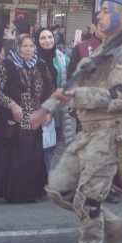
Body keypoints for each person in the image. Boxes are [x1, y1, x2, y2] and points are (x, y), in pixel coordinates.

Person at [29, 0, 122, 243]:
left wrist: (77, 96)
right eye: (101, 11)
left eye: (106, 11)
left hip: (109, 135)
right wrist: (47, 108)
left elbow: (119, 99)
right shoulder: (101, 51)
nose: (100, 16)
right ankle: (114, 225)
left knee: (88, 202)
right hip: (87, 133)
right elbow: (71, 85)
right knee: (58, 189)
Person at [0, 35, 54, 203]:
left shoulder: (41, 65)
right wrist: (13, 105)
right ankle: (13, 193)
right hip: (11, 117)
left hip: (34, 116)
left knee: (31, 154)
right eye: (24, 46)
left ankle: (31, 192)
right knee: (13, 155)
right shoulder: (7, 65)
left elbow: (50, 91)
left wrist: (48, 112)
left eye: (31, 46)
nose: (28, 49)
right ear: (17, 48)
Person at [36, 28, 74, 167]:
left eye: (50, 37)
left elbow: (71, 81)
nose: (47, 40)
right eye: (43, 38)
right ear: (37, 41)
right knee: (40, 148)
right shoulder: (32, 59)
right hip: (39, 109)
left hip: (59, 110)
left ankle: (52, 178)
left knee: (55, 146)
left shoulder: (63, 58)